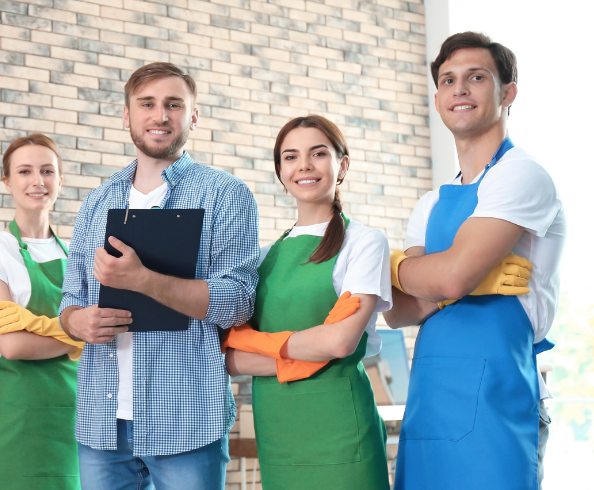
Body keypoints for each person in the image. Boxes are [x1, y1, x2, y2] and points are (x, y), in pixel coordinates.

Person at [58, 62, 260, 490]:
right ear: (127, 115)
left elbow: (239, 300)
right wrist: (77, 322)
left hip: (186, 419)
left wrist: (143, 279)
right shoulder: (97, 202)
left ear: (193, 116)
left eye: (174, 104)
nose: (160, 115)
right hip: (102, 422)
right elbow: (69, 301)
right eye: (146, 104)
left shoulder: (226, 194)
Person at [384, 32, 565, 490]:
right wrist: (427, 279)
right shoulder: (430, 203)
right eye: (448, 80)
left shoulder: (521, 176)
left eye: (476, 77)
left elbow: (446, 279)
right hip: (429, 403)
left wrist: (394, 267)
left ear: (508, 93)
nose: (459, 89)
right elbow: (399, 310)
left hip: (499, 399)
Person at [222, 115, 391, 490]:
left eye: (318, 153)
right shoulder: (263, 257)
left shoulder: (364, 243)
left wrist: (253, 342)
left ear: (342, 164)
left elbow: (340, 342)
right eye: (291, 156)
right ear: (280, 171)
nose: (304, 166)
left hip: (342, 429)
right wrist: (309, 345)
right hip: (279, 432)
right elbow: (230, 361)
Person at [0, 134, 84, 490]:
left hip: (75, 416)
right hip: (16, 419)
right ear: (8, 181)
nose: (37, 181)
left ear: (60, 180)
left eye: (47, 171)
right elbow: (12, 345)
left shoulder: (78, 256)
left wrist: (51, 331)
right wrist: (79, 335)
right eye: (25, 171)